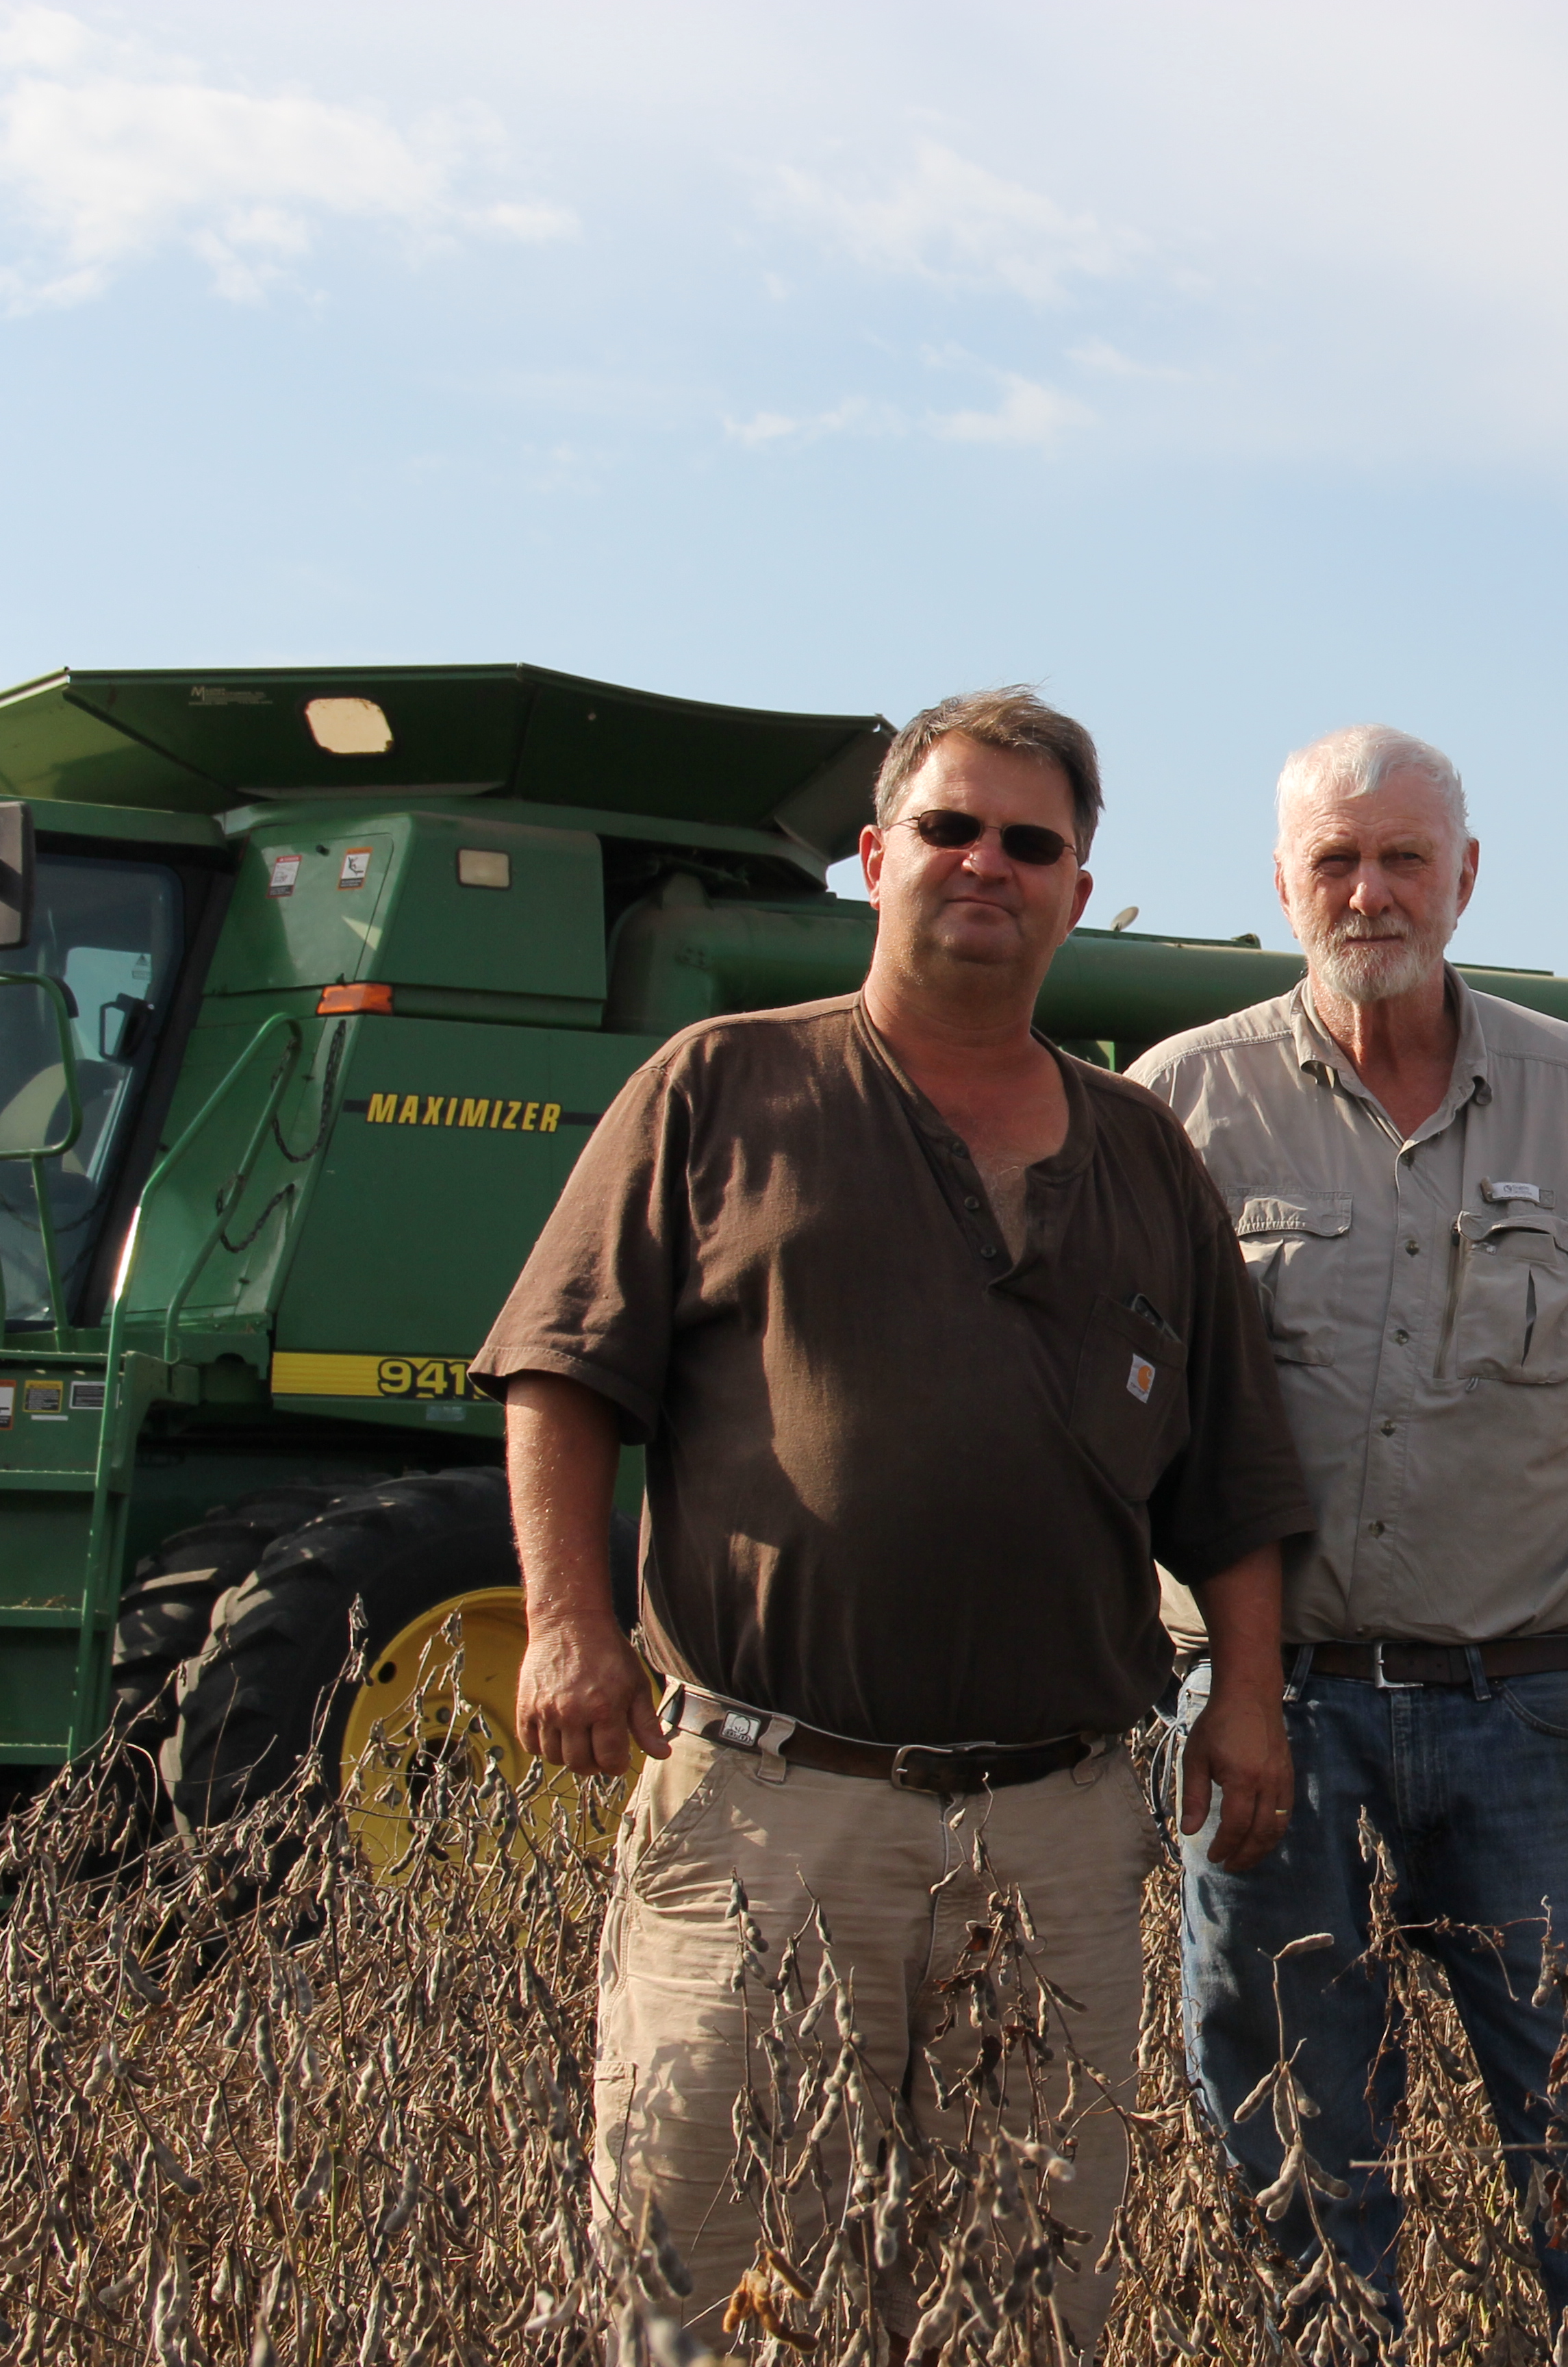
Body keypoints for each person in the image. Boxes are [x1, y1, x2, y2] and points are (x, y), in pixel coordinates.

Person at [478, 687, 1311, 2342]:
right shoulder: (719, 1090)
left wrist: (1255, 1700)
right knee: (708, 2284)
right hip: (773, 1807)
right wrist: (571, 1628)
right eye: (949, 829)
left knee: (1019, 2294)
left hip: (1060, 1826)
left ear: (1079, 889)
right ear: (875, 859)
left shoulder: (1148, 1155)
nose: (985, 863)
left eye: (1031, 841)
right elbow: (563, 1377)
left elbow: (1231, 1475)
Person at [1127, 724, 1568, 2344]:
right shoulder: (1179, 1108)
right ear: (1282, 884)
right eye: (1334, 860)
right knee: (1295, 2159)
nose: (1370, 890)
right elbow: (1112, 1434)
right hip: (1272, 1718)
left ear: (1466, 877)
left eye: (1403, 857)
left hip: (1547, 1722)